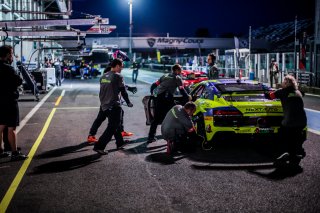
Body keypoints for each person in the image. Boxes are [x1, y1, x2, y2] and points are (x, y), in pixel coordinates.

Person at [93, 58, 133, 155]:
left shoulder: (103, 76)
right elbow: (123, 91)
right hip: (113, 105)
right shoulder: (117, 76)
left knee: (116, 124)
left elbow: (102, 92)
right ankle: (99, 146)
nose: (122, 69)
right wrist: (128, 102)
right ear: (117, 65)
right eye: (121, 66)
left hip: (104, 105)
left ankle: (120, 143)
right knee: (112, 126)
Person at [87, 65, 137, 144]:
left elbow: (120, 86)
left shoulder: (105, 78)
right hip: (111, 104)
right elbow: (121, 88)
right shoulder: (113, 77)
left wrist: (129, 88)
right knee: (112, 124)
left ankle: (92, 136)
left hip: (105, 103)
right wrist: (128, 102)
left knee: (104, 120)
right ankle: (101, 143)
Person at [266, 74, 307, 167]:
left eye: (283, 81)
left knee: (282, 135)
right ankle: (297, 152)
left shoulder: (282, 92)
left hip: (289, 121)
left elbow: (270, 96)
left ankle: (283, 152)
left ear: (285, 83)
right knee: (296, 137)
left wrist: (266, 92)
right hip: (302, 120)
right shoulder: (298, 92)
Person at [147, 64, 191, 143]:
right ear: (176, 70)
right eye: (180, 70)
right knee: (174, 115)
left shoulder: (165, 76)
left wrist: (152, 94)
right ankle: (174, 134)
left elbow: (154, 85)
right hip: (167, 99)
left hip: (158, 98)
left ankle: (150, 137)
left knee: (156, 118)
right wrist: (188, 98)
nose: (181, 71)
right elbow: (182, 90)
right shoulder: (178, 78)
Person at [0, 45, 28, 161]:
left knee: (0, 126)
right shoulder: (9, 69)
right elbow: (19, 81)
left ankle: (0, 150)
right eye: (11, 54)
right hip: (9, 101)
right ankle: (14, 152)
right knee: (12, 128)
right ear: (7, 55)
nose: (12, 56)